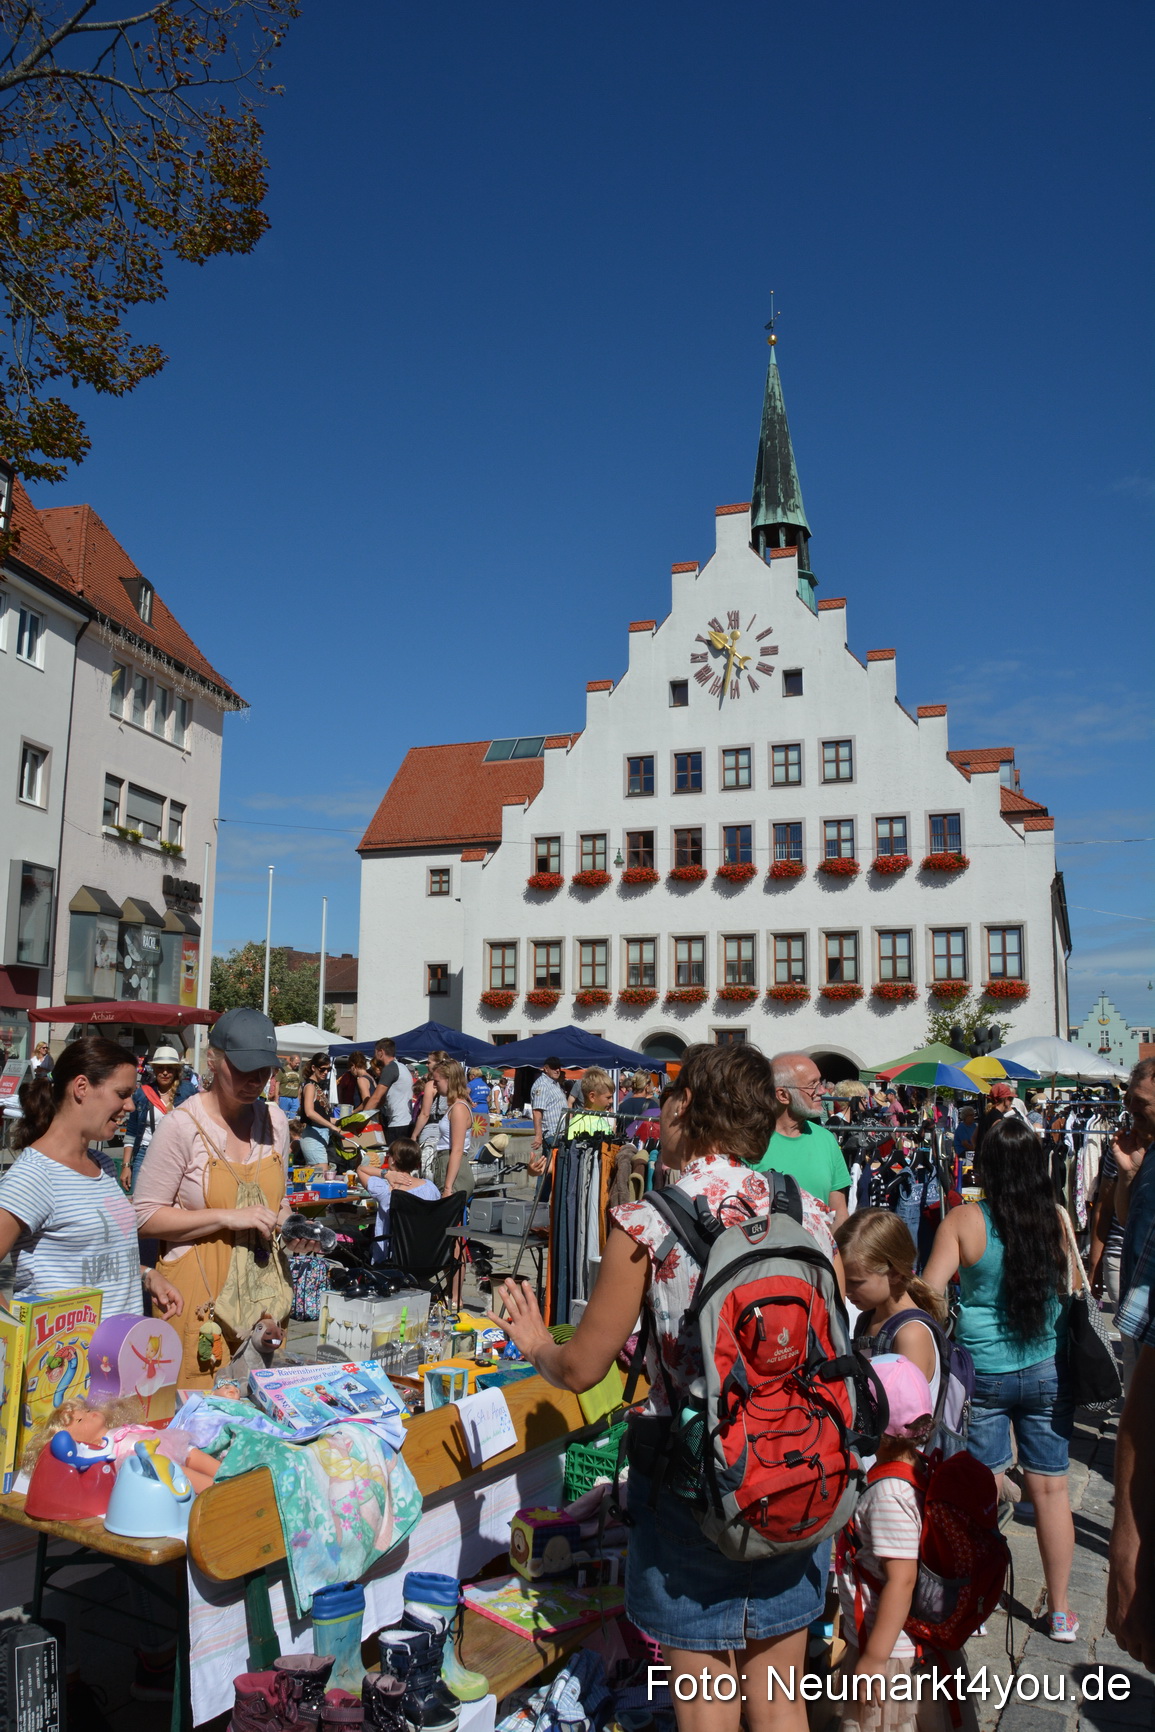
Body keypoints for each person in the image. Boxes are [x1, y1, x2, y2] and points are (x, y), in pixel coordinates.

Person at [490, 1043, 838, 1732]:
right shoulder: (808, 1212)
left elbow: (582, 1368)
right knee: (779, 1702)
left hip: (694, 1479)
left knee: (706, 1703)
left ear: (685, 1108)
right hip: (795, 1468)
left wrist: (534, 1343)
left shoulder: (649, 1223)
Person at [923, 1114, 1077, 1641]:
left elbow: (931, 1290)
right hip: (1046, 1364)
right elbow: (1069, 1286)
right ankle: (1061, 1612)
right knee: (1052, 1491)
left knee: (983, 1489)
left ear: (984, 1167)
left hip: (984, 1370)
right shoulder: (1055, 1219)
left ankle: (978, 1604)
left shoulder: (964, 1221)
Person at [133, 1007, 307, 1385]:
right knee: (200, 1408)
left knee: (260, 1405)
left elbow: (277, 1204)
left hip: (263, 1298)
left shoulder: (275, 1122)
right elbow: (143, 1217)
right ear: (213, 1060)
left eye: (265, 1070)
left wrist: (294, 1227)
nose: (255, 1080)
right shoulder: (181, 1125)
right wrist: (227, 1217)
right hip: (200, 1300)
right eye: (244, 1069)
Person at [834, 1355, 976, 1732]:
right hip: (900, 1642)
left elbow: (902, 1580)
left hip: (891, 1651)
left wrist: (874, 1660)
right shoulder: (916, 1468)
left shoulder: (888, 1496)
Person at [0, 1038, 183, 1321]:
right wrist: (15, 1334)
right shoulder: (34, 1176)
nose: (130, 1106)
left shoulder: (104, 1165)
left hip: (124, 1346)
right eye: (122, 1094)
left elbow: (93, 1260)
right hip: (66, 1350)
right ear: (81, 1087)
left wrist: (146, 1275)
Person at [1105, 1061, 1155, 1671]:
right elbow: (1123, 1219)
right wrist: (1129, 1172)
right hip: (1143, 1317)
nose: (1131, 1112)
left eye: (1141, 1102)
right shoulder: (1148, 1155)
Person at [835, 1210, 946, 1412]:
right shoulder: (869, 1319)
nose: (846, 1290)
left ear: (894, 1273)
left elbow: (908, 1419)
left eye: (856, 1282)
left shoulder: (911, 1335)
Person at [753, 1051, 852, 1226]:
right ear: (783, 1095)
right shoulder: (750, 1142)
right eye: (812, 1085)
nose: (822, 1091)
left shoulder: (826, 1140)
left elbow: (839, 1215)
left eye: (820, 1082)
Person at [123, 1047, 198, 1193]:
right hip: (145, 1154)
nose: (164, 1072)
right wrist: (126, 1165)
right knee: (141, 1199)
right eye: (160, 1068)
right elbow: (131, 1131)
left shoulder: (188, 1091)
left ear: (176, 1070)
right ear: (154, 1070)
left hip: (179, 1155)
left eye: (169, 1068)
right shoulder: (142, 1094)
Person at [358, 1140, 439, 1262]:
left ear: (393, 1160)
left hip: (394, 1257)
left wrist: (386, 1173)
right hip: (428, 1254)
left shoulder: (385, 1189)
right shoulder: (430, 1187)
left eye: (389, 1155)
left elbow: (360, 1169)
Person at [429, 1060, 475, 1196]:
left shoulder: (459, 1108)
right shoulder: (455, 1106)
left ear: (449, 1080)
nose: (434, 1085)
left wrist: (448, 1188)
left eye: (437, 1081)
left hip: (453, 1171)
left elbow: (457, 1150)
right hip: (447, 1165)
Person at [361, 1038, 416, 1148]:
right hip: (405, 1122)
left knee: (393, 1156)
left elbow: (376, 1097)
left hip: (398, 1123)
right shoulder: (402, 1067)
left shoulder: (390, 1068)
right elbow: (382, 1100)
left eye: (375, 1052)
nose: (374, 1055)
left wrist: (361, 1119)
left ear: (381, 1052)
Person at [528, 1056, 568, 1175]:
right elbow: (537, 1112)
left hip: (559, 1135)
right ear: (546, 1068)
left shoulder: (554, 1083)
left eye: (559, 1067)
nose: (557, 1070)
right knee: (548, 1170)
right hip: (552, 1135)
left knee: (552, 1171)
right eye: (554, 1067)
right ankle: (542, 1189)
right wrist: (538, 1135)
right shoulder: (542, 1085)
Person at [297, 1052, 337, 1164]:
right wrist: (331, 1126)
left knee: (318, 1172)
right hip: (313, 1136)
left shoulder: (317, 1086)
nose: (326, 1072)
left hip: (320, 1136)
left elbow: (322, 1115)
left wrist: (339, 1121)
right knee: (321, 1172)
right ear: (313, 1068)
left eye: (328, 1069)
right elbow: (309, 1112)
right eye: (322, 1069)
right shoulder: (310, 1086)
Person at [412, 1049, 450, 1165]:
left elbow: (425, 1114)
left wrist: (414, 1135)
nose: (426, 1065)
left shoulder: (432, 1085)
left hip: (432, 1129)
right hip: (448, 1130)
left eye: (429, 1062)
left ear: (438, 1063)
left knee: (427, 1166)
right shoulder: (453, 1083)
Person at [568, 1068, 617, 1139]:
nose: (611, 1101)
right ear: (592, 1097)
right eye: (608, 1097)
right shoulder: (578, 1124)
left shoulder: (600, 1119)